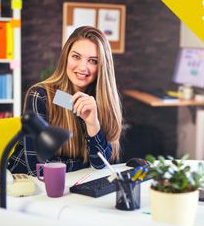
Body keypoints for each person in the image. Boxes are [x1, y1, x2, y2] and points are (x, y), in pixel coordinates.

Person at [8, 26, 123, 175]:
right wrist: (86, 163)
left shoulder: (100, 102)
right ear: (66, 57)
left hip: (72, 185)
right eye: (76, 56)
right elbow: (39, 167)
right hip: (26, 186)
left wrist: (92, 123)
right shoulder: (42, 95)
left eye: (93, 61)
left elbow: (101, 164)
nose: (83, 67)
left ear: (102, 66)